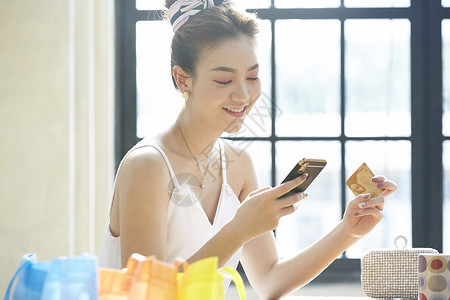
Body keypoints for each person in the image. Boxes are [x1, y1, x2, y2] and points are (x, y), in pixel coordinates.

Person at [99, 0, 398, 298]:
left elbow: (269, 280)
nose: (243, 95)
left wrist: (348, 232)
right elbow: (145, 293)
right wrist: (239, 229)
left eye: (252, 78)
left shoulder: (238, 165)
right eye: (224, 80)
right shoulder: (148, 166)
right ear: (182, 79)